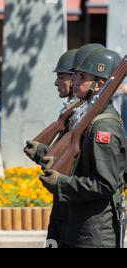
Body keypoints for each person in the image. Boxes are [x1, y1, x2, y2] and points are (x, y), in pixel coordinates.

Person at [39, 48, 126, 248]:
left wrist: (62, 184)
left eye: (82, 76)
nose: (75, 80)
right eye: (75, 75)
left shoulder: (104, 126)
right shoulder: (86, 118)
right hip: (75, 223)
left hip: (93, 234)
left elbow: (105, 183)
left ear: (100, 84)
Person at [23, 44, 105, 246]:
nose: (57, 82)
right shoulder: (77, 114)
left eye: (62, 76)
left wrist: (44, 153)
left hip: (81, 210)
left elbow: (78, 165)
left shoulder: (96, 120)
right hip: (68, 203)